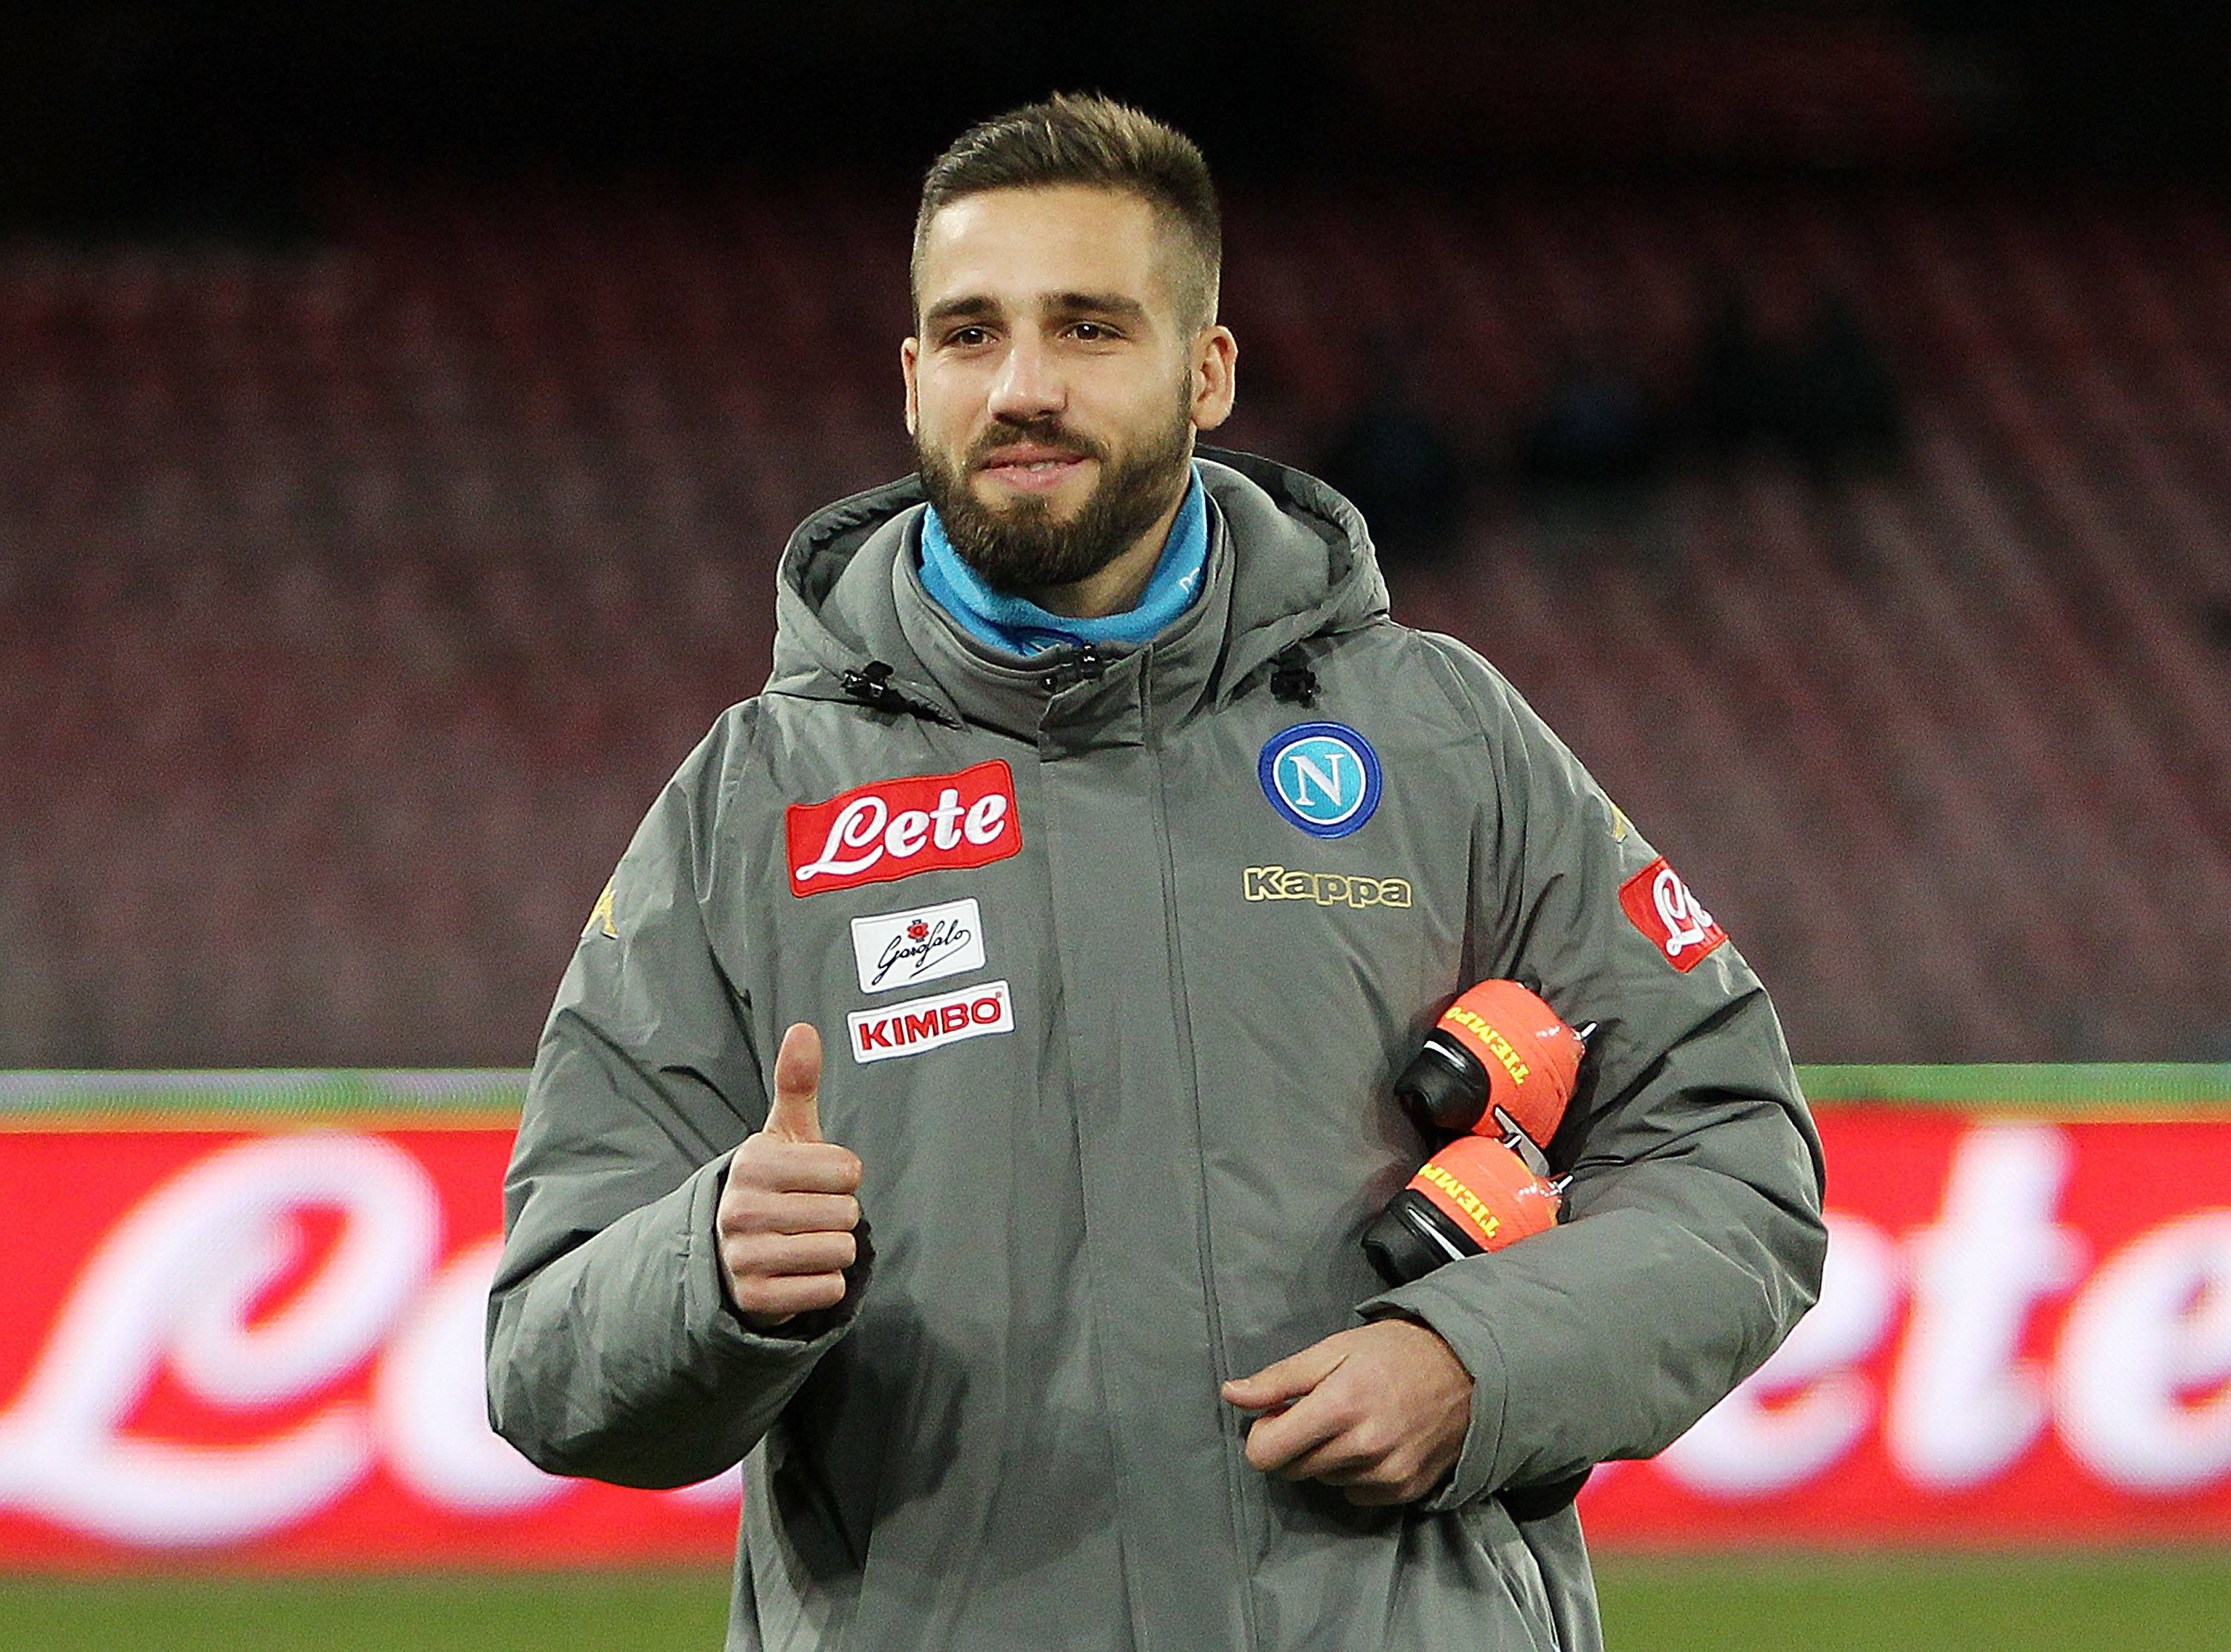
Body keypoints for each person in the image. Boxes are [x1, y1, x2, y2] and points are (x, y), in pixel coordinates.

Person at [486, 94, 1826, 1651]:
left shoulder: (1442, 742)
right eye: (973, 334)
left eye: (1091, 329)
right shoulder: (752, 809)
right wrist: (707, 1267)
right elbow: (543, 1353)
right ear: (913, 378)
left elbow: (1736, 1165)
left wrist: (1478, 1364)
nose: (1026, 388)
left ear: (1208, 370)